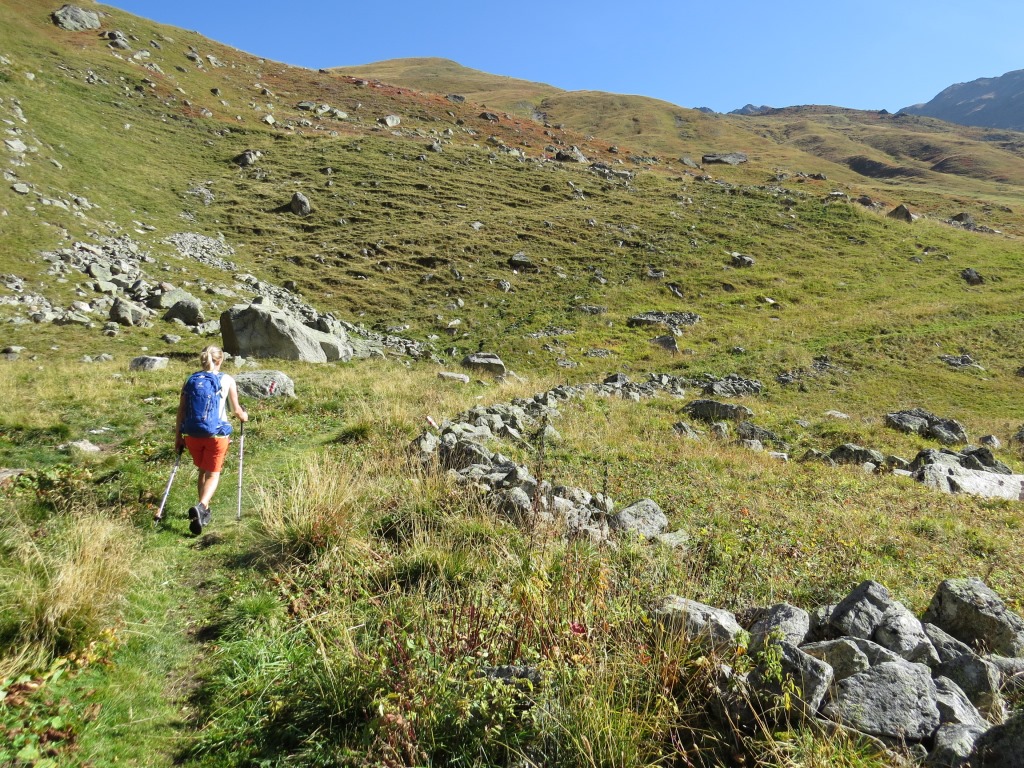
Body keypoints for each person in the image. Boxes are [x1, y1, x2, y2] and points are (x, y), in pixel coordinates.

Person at [171, 345, 248, 534]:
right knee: (213, 474)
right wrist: (244, 417)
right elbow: (235, 410)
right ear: (220, 360)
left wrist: (178, 437)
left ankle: (203, 511)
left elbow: (181, 410)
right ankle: (202, 506)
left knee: (202, 471)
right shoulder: (227, 379)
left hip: (191, 434)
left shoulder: (190, 380)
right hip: (216, 434)